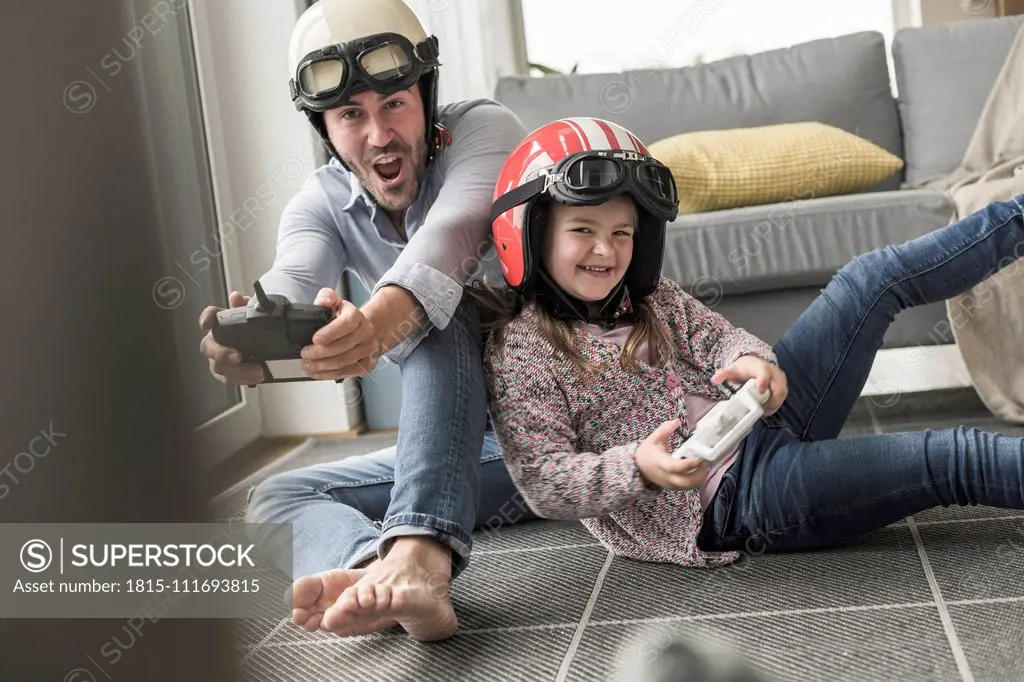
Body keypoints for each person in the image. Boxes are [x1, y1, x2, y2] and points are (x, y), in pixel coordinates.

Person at [473, 116, 1024, 567]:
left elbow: (714, 334)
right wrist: (637, 468)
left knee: (871, 278)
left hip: (759, 415)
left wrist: (750, 358)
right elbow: (544, 481)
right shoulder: (522, 350)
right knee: (951, 456)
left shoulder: (647, 296)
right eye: (583, 230)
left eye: (622, 233)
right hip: (734, 500)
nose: (607, 251)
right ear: (529, 231)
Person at [197, 0, 535, 641]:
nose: (379, 135)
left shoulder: (486, 133)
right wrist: (255, 336)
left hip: (552, 427)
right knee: (273, 502)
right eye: (351, 114)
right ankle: (375, 575)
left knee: (441, 309)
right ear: (325, 127)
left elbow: (452, 237)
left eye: (394, 104)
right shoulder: (319, 201)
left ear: (426, 97)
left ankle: (421, 559)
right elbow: (293, 279)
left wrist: (377, 325)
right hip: (468, 451)